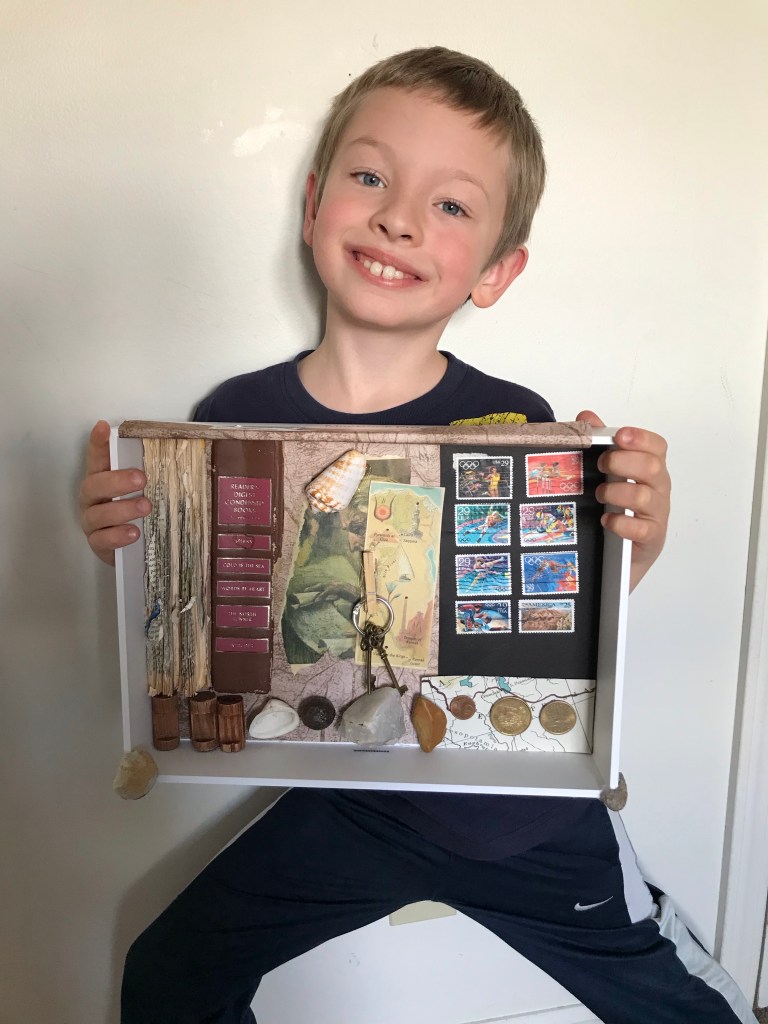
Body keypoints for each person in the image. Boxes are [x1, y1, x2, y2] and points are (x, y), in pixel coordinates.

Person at [79, 46, 755, 1024]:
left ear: (496, 271)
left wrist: (631, 551)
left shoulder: (518, 427)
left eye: (450, 204)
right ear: (314, 203)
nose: (399, 217)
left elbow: (545, 622)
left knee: (675, 999)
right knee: (171, 970)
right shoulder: (231, 419)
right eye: (370, 177)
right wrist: (129, 552)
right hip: (356, 799)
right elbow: (204, 614)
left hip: (525, 818)